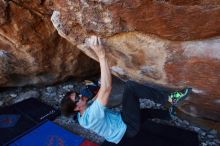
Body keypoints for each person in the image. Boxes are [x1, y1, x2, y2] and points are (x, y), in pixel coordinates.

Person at [60, 36, 192, 145]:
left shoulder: (81, 115)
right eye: (77, 98)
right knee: (131, 87)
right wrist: (101, 54)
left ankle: (169, 114)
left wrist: (98, 85)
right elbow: (106, 89)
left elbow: (98, 95)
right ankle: (168, 99)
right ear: (76, 108)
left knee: (143, 113)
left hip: (120, 124)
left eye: (77, 93)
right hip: (126, 130)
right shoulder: (91, 117)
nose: (80, 95)